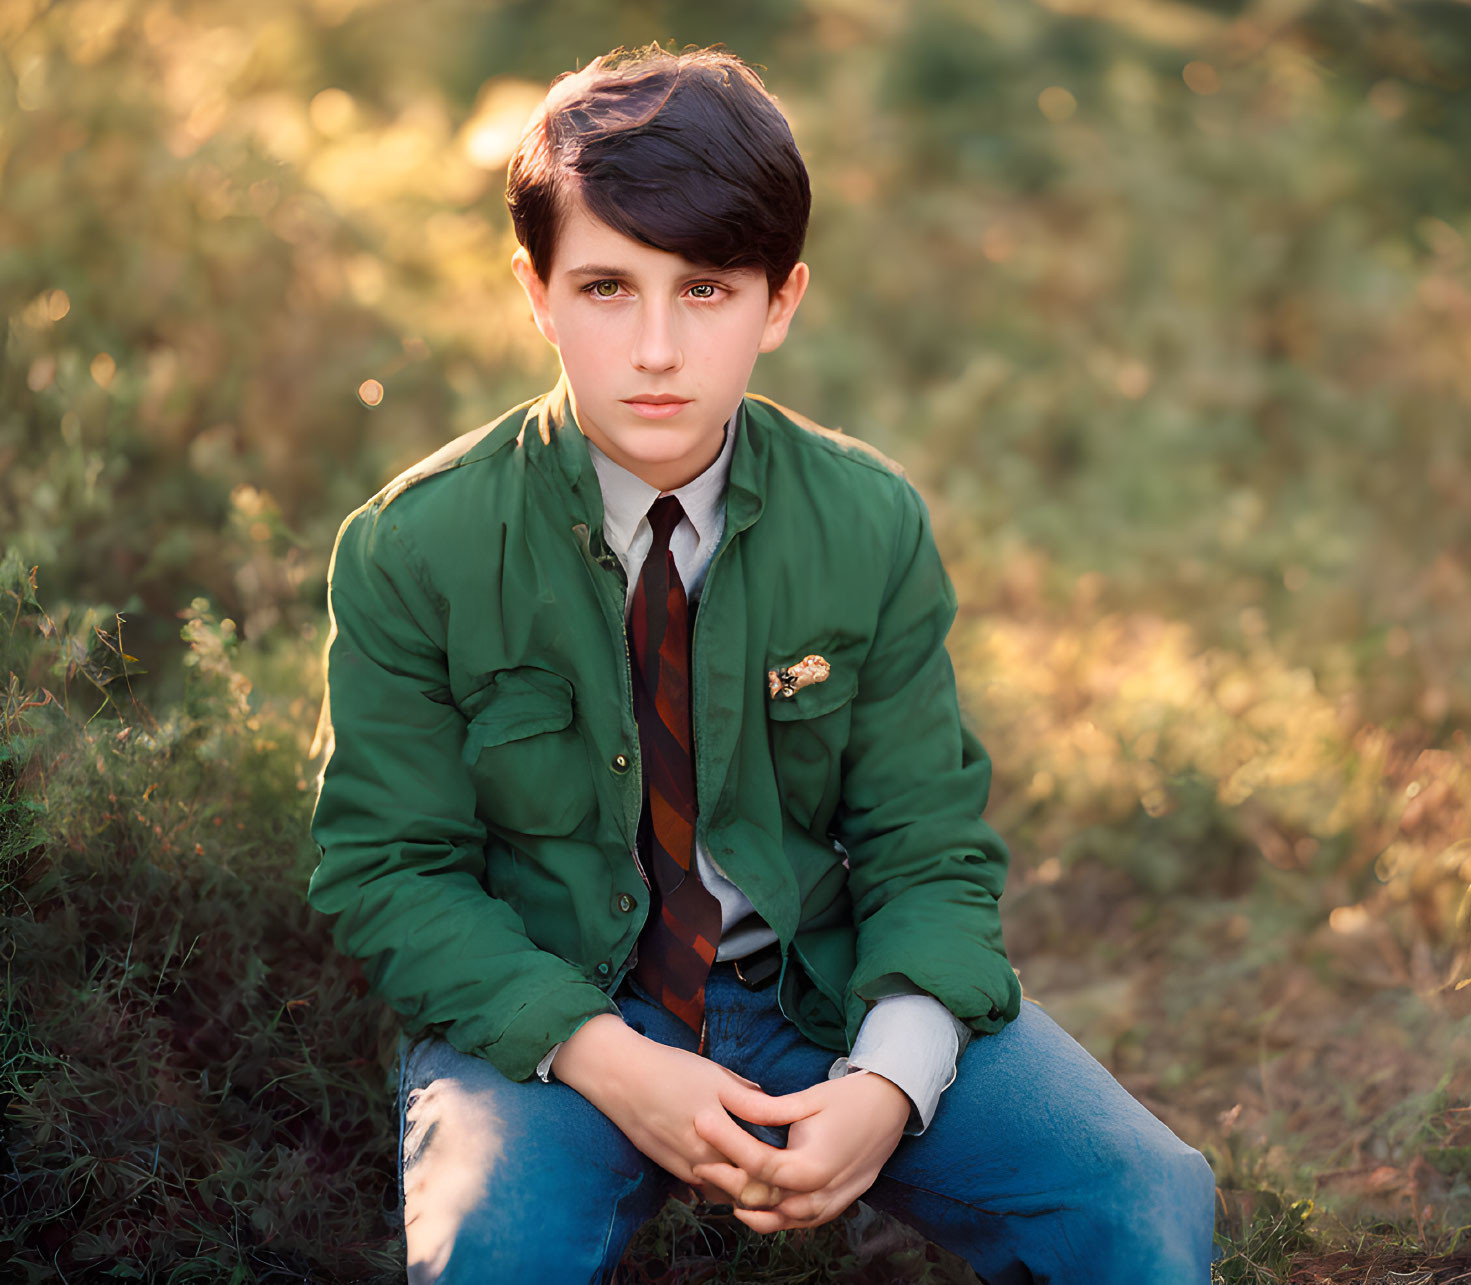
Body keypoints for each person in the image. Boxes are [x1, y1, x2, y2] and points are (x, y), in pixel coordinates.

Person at [306, 42, 1216, 1285]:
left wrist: (890, 1081)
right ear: (535, 291)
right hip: (554, 1010)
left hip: (815, 991)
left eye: (708, 291)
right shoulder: (414, 549)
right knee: (491, 1251)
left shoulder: (869, 523)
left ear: (781, 300)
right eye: (608, 289)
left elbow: (926, 848)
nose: (658, 352)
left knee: (1145, 1191)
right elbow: (388, 871)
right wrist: (607, 1059)